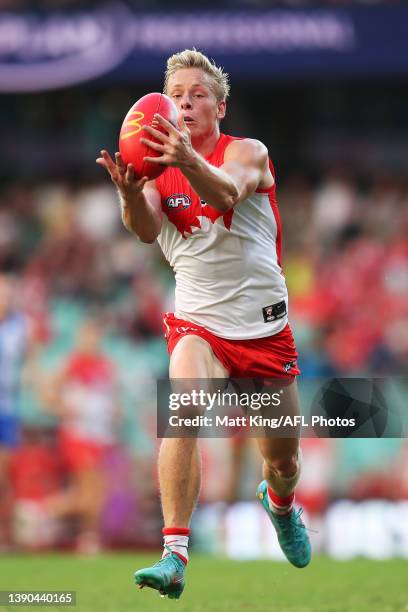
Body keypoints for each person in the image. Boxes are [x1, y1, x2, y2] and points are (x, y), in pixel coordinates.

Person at [97, 49, 311, 599]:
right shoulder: (154, 169)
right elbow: (144, 229)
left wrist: (188, 158)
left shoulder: (247, 152)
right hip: (200, 324)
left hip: (264, 333)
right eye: (177, 95)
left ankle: (280, 503)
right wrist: (127, 195)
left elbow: (226, 191)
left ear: (220, 105)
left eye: (197, 94)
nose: (186, 102)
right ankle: (174, 554)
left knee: (281, 459)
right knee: (183, 406)